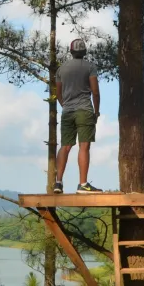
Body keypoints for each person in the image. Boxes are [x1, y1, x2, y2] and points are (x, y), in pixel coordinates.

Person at [54, 38, 102, 194]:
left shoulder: (61, 69)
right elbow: (95, 92)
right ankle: (83, 184)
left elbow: (58, 92)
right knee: (84, 146)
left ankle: (58, 183)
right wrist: (96, 111)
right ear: (84, 52)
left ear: (71, 51)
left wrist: (65, 105)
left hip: (67, 111)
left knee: (65, 146)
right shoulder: (90, 67)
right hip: (84, 110)